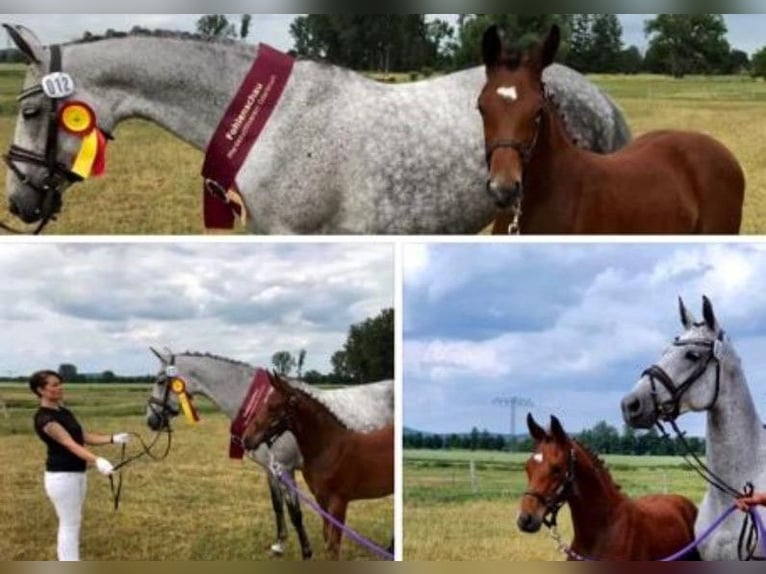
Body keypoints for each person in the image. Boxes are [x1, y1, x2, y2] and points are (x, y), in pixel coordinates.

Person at [30, 370, 131, 561]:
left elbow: (83, 436)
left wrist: (112, 439)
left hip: (77, 474)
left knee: (74, 521)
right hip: (61, 477)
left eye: (60, 383)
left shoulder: (64, 412)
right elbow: (69, 443)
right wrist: (97, 460)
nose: (60, 388)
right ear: (40, 390)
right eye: (54, 385)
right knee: (69, 523)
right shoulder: (45, 419)